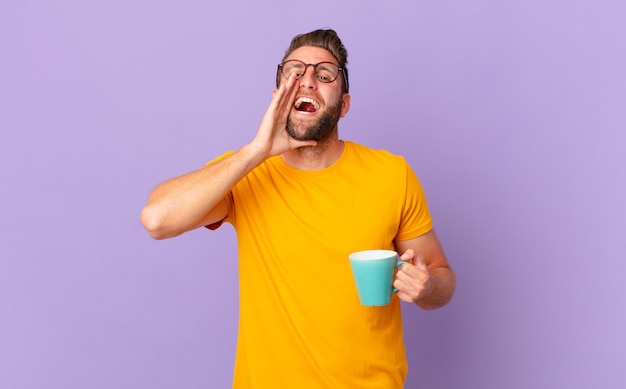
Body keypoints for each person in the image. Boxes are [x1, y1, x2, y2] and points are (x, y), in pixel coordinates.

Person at [141, 28, 456, 388]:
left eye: (324, 75)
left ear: (345, 104)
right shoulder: (246, 173)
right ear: (278, 96)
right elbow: (156, 219)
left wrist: (427, 286)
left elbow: (442, 279)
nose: (307, 82)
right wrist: (255, 151)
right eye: (294, 73)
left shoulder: (392, 175)